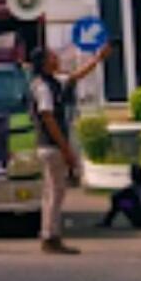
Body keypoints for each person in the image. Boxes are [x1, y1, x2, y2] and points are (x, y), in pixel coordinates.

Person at [30, 43, 112, 255]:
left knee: (52, 191)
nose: (56, 59)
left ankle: (49, 233)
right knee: (56, 193)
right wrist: (66, 149)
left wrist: (97, 59)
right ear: (44, 63)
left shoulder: (53, 82)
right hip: (52, 144)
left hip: (50, 145)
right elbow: (48, 118)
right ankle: (51, 236)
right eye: (52, 56)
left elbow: (76, 76)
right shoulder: (43, 86)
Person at [99, 163, 141, 229]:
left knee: (119, 201)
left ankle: (107, 222)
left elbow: (114, 197)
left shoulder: (130, 190)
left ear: (131, 176)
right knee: (129, 201)